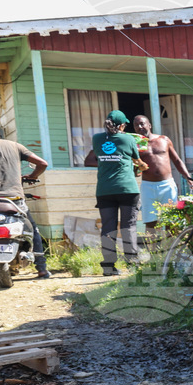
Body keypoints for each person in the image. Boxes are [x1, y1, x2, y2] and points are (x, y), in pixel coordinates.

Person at [84, 110, 141, 276]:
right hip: (127, 189)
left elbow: (98, 155)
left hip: (104, 190)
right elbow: (136, 158)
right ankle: (133, 264)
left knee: (108, 228)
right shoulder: (129, 139)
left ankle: (108, 267)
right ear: (122, 125)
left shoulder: (97, 138)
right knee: (128, 226)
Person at [132, 115, 193, 232]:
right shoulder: (135, 145)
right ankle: (153, 249)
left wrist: (188, 177)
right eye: (136, 125)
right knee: (150, 222)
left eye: (142, 123)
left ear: (149, 125)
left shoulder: (164, 140)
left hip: (167, 186)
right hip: (148, 186)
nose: (139, 127)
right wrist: (136, 169)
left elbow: (177, 161)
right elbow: (134, 168)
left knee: (171, 220)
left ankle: (172, 248)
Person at [0, 139, 49, 279]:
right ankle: (41, 269)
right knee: (32, 229)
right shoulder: (15, 146)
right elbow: (42, 163)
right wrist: (33, 176)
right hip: (13, 200)